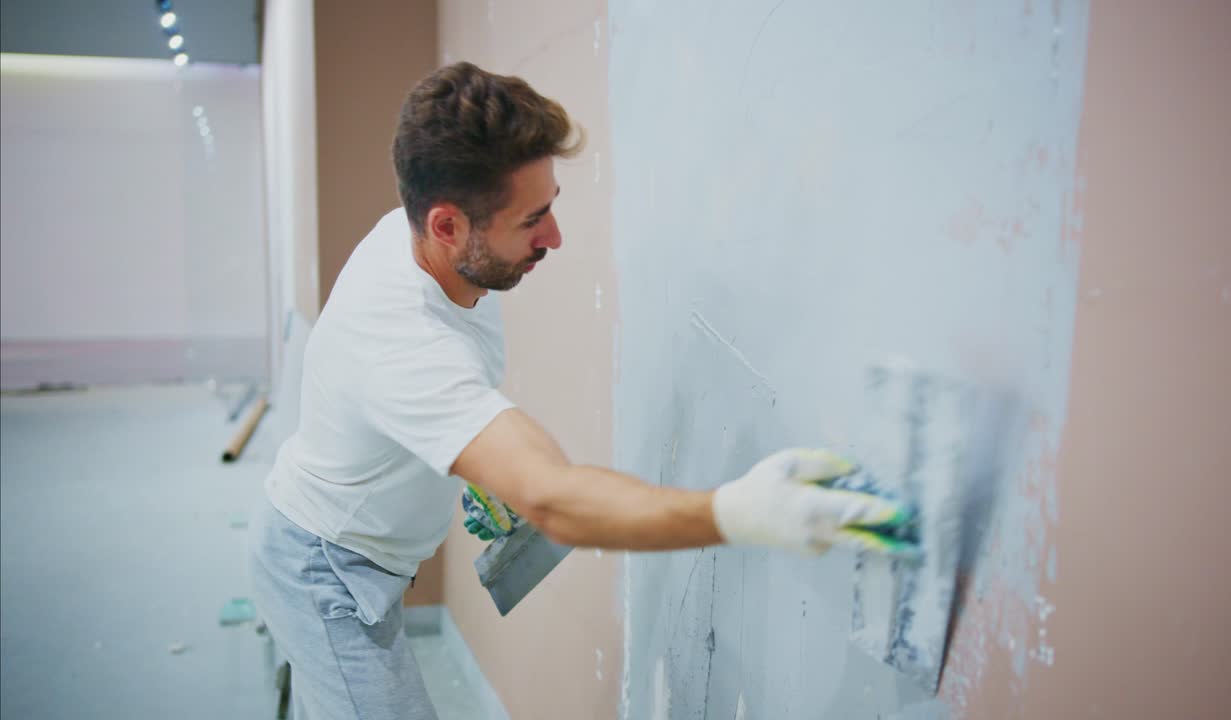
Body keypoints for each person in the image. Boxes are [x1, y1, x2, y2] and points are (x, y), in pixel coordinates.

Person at [249, 61, 910, 720]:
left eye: (553, 205)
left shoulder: (425, 236)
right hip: (326, 574)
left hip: (360, 551)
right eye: (532, 219)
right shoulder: (405, 340)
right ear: (448, 226)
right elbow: (550, 499)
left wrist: (472, 459)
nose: (555, 238)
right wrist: (741, 512)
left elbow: (447, 396)